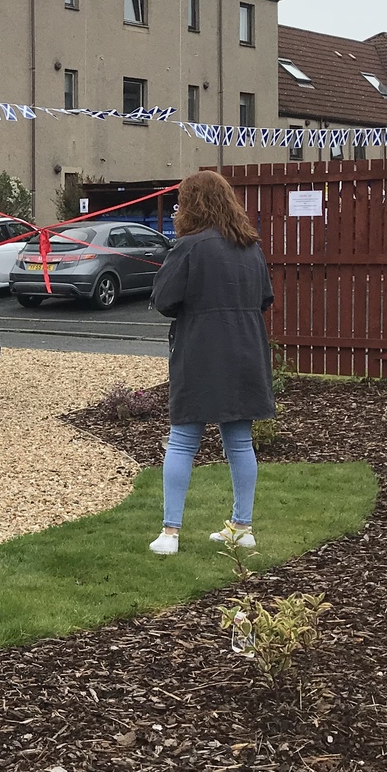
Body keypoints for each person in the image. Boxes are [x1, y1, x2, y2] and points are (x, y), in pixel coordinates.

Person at [147, 170, 275, 556]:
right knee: (239, 441)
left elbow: (165, 301)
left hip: (201, 352)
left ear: (191, 205)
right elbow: (265, 298)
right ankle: (242, 526)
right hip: (247, 350)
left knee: (183, 440)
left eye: (180, 203)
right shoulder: (250, 246)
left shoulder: (188, 247)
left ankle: (170, 533)